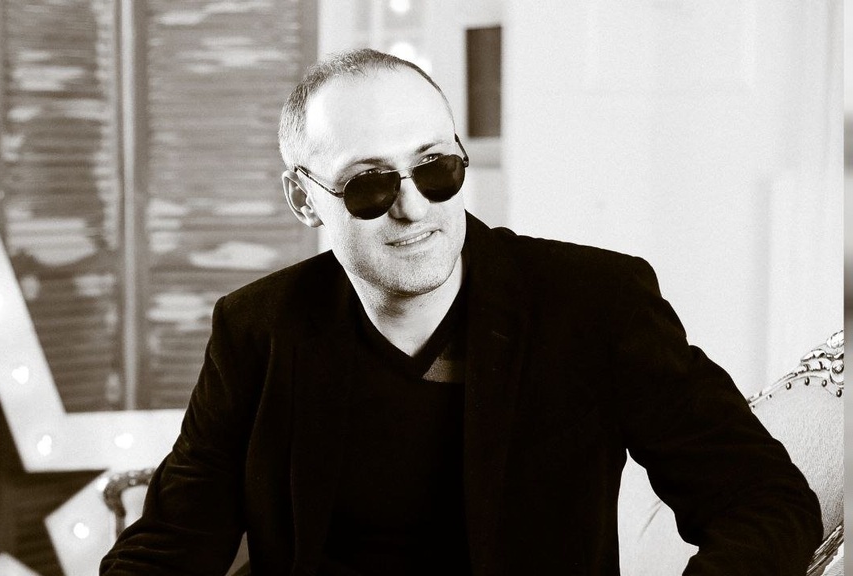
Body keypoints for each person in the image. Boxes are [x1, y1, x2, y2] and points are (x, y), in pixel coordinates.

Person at [101, 48, 822, 575]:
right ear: (303, 199)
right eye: (369, 185)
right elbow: (170, 545)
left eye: (436, 169)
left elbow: (763, 501)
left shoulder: (594, 304)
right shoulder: (256, 328)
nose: (414, 208)